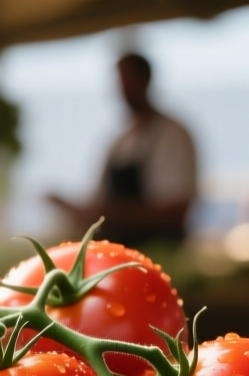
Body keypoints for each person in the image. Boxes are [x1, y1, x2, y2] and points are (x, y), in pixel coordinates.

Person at [49, 53, 197, 247]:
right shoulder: (118, 141)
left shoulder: (172, 134)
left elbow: (176, 212)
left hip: (158, 251)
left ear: (146, 80)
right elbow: (97, 200)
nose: (123, 88)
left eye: (128, 80)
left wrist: (106, 213)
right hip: (117, 253)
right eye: (120, 81)